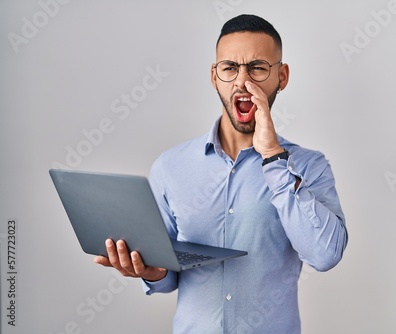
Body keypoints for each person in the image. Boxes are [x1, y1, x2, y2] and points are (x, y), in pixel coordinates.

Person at [94, 14, 348, 333]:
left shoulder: (309, 166)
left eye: (257, 67)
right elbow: (167, 273)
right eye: (230, 68)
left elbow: (324, 255)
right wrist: (151, 270)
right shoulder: (170, 167)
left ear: (282, 76)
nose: (242, 82)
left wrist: (272, 156)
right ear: (215, 77)